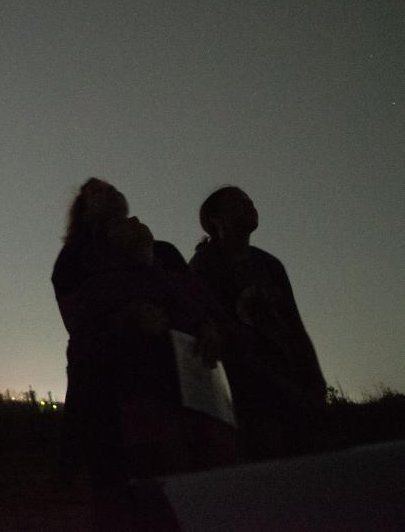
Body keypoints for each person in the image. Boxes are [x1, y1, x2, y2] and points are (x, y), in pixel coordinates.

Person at [70, 216, 236, 529]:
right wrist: (124, 322)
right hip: (148, 407)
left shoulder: (182, 281)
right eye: (122, 222)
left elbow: (223, 324)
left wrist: (211, 329)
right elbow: (84, 350)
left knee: (214, 498)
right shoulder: (100, 287)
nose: (134, 219)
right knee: (165, 502)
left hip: (205, 408)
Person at [189, 186, 326, 460]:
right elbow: (209, 324)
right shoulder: (205, 264)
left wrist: (313, 376)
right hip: (249, 390)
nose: (249, 205)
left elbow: (294, 325)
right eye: (238, 201)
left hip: (292, 379)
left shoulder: (270, 265)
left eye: (250, 200)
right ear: (215, 220)